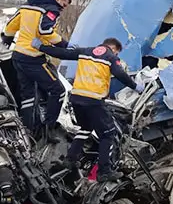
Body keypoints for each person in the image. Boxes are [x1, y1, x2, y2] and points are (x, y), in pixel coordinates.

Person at [37, 37, 142, 182]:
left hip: (76, 98)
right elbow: (120, 74)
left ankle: (69, 160)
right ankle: (104, 171)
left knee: (85, 128)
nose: (116, 56)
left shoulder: (85, 51)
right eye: (117, 53)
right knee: (108, 134)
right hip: (94, 100)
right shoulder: (110, 57)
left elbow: (62, 54)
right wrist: (135, 86)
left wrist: (41, 47)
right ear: (114, 48)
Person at [2, 0, 71, 141]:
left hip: (18, 56)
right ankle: (49, 130)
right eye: (64, 5)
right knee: (58, 91)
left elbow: (11, 26)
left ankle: (28, 133)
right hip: (33, 58)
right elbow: (44, 30)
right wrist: (63, 43)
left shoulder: (26, 6)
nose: (62, 8)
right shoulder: (51, 10)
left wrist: (7, 38)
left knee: (28, 96)